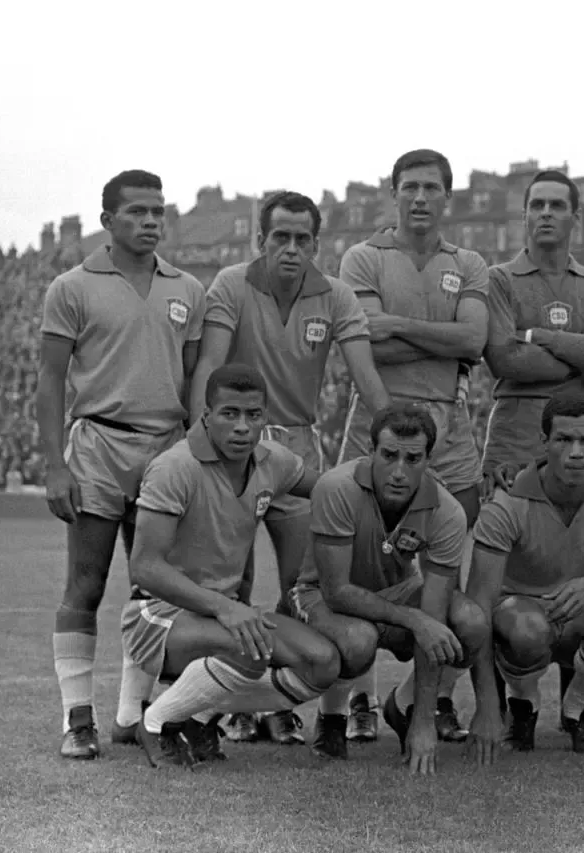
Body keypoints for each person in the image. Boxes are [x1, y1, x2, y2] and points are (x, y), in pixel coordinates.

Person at [188, 190, 390, 745]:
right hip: (235, 446)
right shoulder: (231, 284)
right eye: (281, 237)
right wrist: (197, 443)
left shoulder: (337, 296)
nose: (292, 248)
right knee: (231, 583)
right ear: (261, 240)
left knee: (303, 586)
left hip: (299, 451)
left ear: (317, 244)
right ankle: (220, 708)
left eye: (303, 238)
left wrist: (399, 437)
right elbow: (210, 366)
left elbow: (366, 379)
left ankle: (279, 700)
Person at [36, 169, 206, 759]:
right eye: (137, 212)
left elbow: (194, 380)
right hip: (99, 448)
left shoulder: (187, 288)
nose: (150, 221)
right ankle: (75, 720)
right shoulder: (73, 286)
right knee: (84, 585)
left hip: (166, 449)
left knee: (153, 590)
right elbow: (51, 379)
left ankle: (130, 715)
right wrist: (55, 465)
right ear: (108, 221)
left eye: (158, 211)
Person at [334, 149, 489, 744]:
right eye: (410, 187)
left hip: (449, 429)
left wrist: (398, 325)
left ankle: (429, 699)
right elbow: (366, 348)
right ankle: (357, 701)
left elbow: (475, 337)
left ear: (448, 198)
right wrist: (441, 343)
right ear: (392, 193)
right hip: (378, 418)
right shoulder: (364, 257)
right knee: (358, 564)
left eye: (432, 188)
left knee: (444, 567)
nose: (420, 198)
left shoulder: (468, 262)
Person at [481, 168, 584, 737]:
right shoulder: (498, 279)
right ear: (523, 215)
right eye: (536, 205)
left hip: (578, 432)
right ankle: (515, 701)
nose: (546, 214)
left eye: (557, 205)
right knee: (510, 570)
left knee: (580, 562)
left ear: (576, 217)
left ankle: (579, 708)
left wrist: (539, 335)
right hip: (516, 434)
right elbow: (505, 362)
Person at [124, 364, 337, 768]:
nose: (242, 427)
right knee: (249, 646)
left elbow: (333, 489)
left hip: (225, 617)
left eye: (253, 416)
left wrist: (383, 481)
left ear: (265, 419)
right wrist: (225, 607)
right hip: (156, 617)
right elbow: (145, 568)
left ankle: (199, 716)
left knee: (321, 661)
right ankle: (155, 722)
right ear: (206, 415)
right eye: (229, 414)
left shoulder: (273, 461)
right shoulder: (175, 467)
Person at [292, 403, 488, 776]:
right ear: (371, 452)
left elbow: (434, 611)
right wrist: (413, 619)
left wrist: (425, 722)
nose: (399, 471)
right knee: (358, 640)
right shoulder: (336, 487)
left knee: (469, 623)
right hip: (321, 596)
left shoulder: (447, 512)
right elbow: (337, 592)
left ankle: (406, 705)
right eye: (389, 455)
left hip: (398, 594)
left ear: (429, 459)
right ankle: (331, 717)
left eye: (413, 459)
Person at [465, 393, 584, 761]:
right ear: (544, 442)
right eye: (564, 439)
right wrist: (486, 705)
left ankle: (578, 709)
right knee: (527, 627)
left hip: (580, 613)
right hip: (519, 620)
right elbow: (477, 609)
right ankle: (522, 707)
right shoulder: (507, 501)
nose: (576, 452)